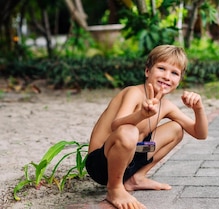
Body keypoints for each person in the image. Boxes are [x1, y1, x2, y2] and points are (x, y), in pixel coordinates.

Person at [86, 45, 208, 209]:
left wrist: (198, 109)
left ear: (179, 81)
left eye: (174, 73)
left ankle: (136, 178)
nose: (166, 76)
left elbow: (200, 134)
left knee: (177, 129)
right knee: (129, 130)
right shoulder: (134, 93)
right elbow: (116, 125)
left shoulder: (167, 105)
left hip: (131, 158)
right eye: (161, 68)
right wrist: (141, 115)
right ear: (147, 71)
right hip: (102, 163)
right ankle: (114, 189)